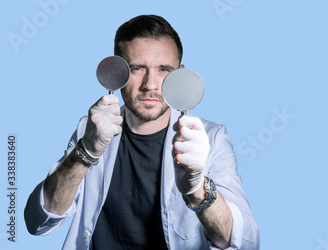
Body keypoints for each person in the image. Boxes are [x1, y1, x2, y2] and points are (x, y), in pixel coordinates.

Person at [24, 14, 260, 249]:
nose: (150, 84)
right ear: (118, 72)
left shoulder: (212, 139)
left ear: (179, 73)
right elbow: (39, 222)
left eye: (164, 70)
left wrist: (198, 190)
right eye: (137, 68)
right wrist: (84, 152)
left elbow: (246, 243)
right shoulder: (90, 129)